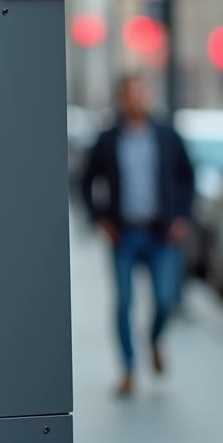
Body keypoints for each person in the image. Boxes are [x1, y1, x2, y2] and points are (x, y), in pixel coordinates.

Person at [79, 73, 195, 397]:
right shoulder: (108, 138)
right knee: (124, 302)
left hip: (161, 235)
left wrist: (182, 217)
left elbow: (187, 176)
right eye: (131, 94)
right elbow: (86, 179)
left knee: (165, 300)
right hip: (124, 235)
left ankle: (155, 339)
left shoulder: (167, 136)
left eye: (142, 93)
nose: (138, 100)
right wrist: (99, 218)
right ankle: (128, 369)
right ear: (122, 99)